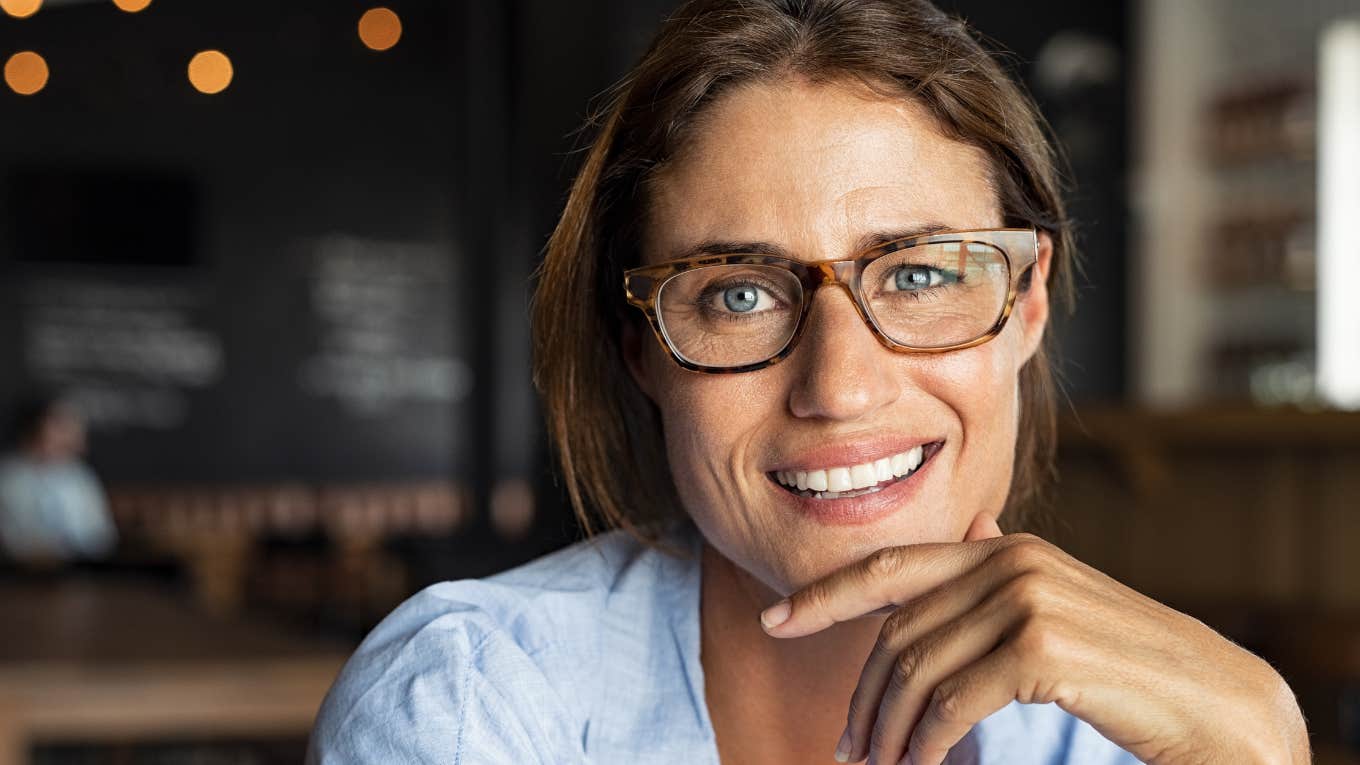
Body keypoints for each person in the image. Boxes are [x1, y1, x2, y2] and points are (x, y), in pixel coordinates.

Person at [309, 1, 1309, 762]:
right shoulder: (474, 702)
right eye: (739, 295)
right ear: (641, 350)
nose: (838, 386)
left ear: (1028, 303)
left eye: (918, 275)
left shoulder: (1128, 741)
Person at [0, 393, 117, 566]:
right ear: (35, 427)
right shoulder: (8, 478)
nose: (73, 433)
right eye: (61, 425)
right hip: (20, 579)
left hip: (82, 573)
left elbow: (102, 536)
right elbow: (15, 543)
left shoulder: (80, 476)